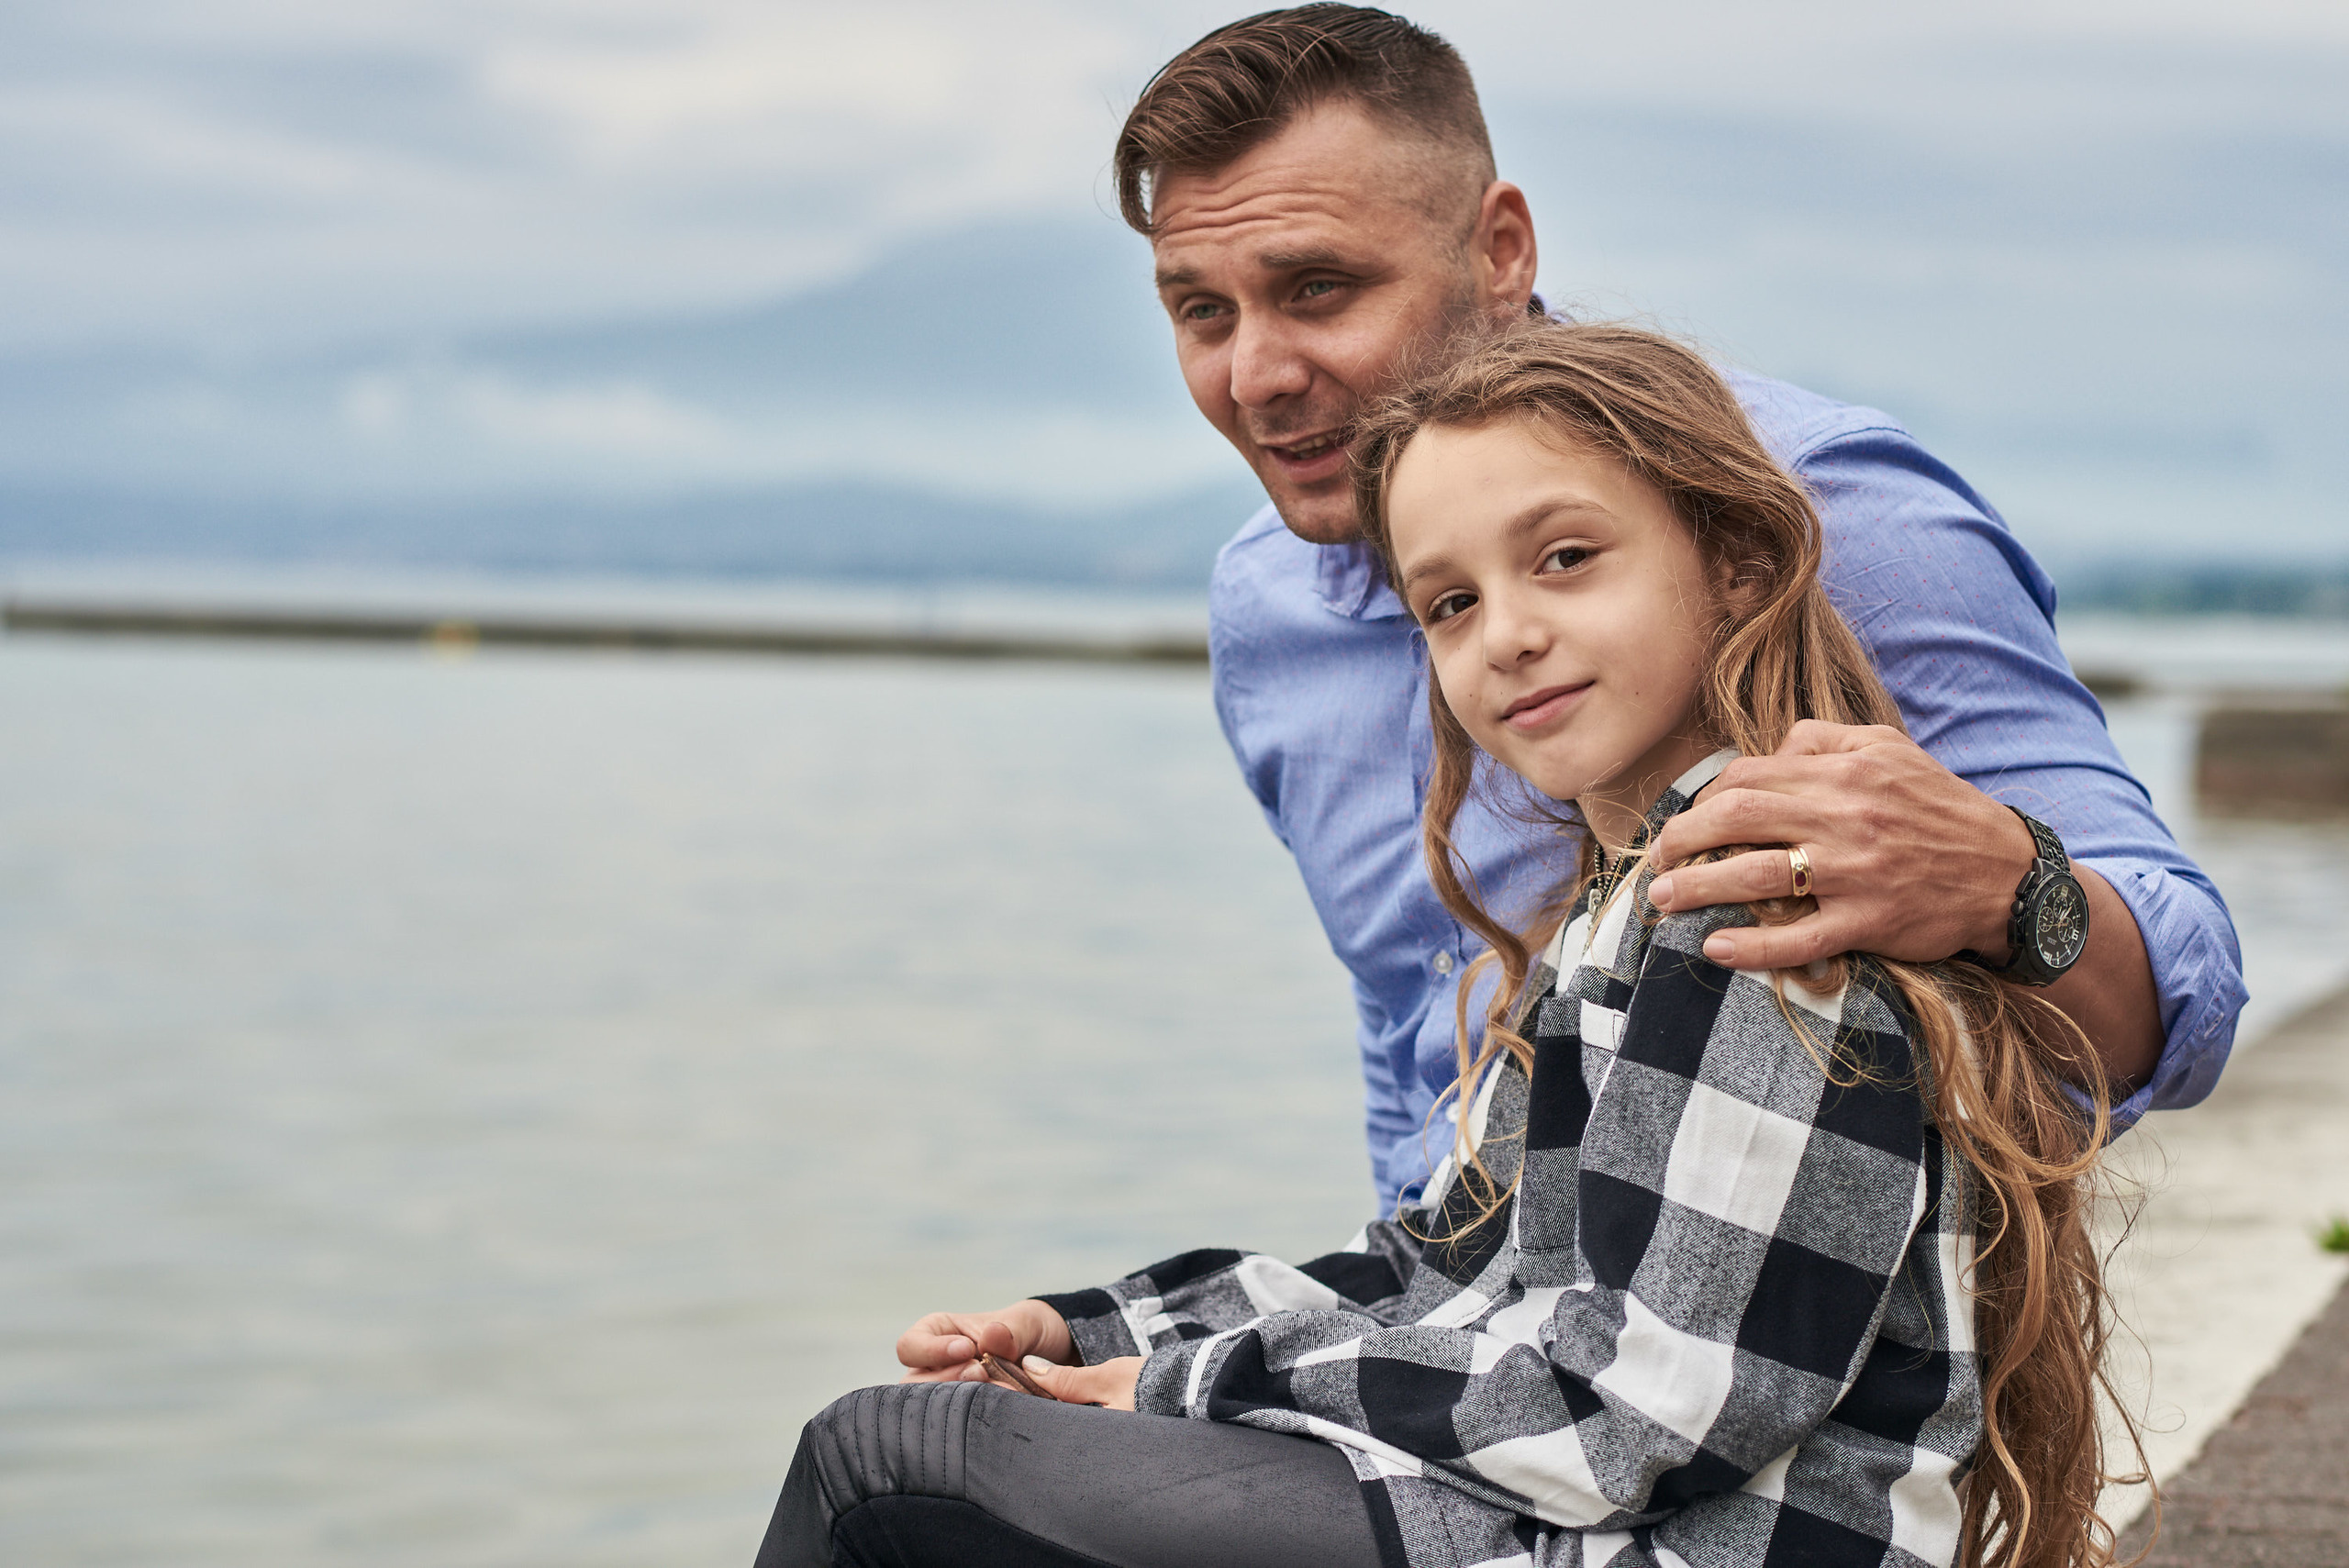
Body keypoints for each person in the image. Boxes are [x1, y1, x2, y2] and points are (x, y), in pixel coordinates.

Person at [754, 320, 2135, 1568]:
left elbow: (1641, 1418)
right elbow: (1437, 1268)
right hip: (1599, 1523)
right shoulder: (1627, 900)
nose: (1510, 637)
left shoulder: (1748, 898)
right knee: (953, 1452)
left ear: (1735, 564)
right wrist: (1098, 1332)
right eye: (1451, 603)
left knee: (885, 1467)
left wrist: (1180, 1392)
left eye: (1567, 558)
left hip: (1673, 1541)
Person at [1133, 5, 2243, 1212]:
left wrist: (2005, 886)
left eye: (1320, 287)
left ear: (1502, 250)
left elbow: (2184, 1005)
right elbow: (1411, 1040)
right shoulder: (1265, 606)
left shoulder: (1823, 509)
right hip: (1437, 1341)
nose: (1255, 376)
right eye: (1203, 311)